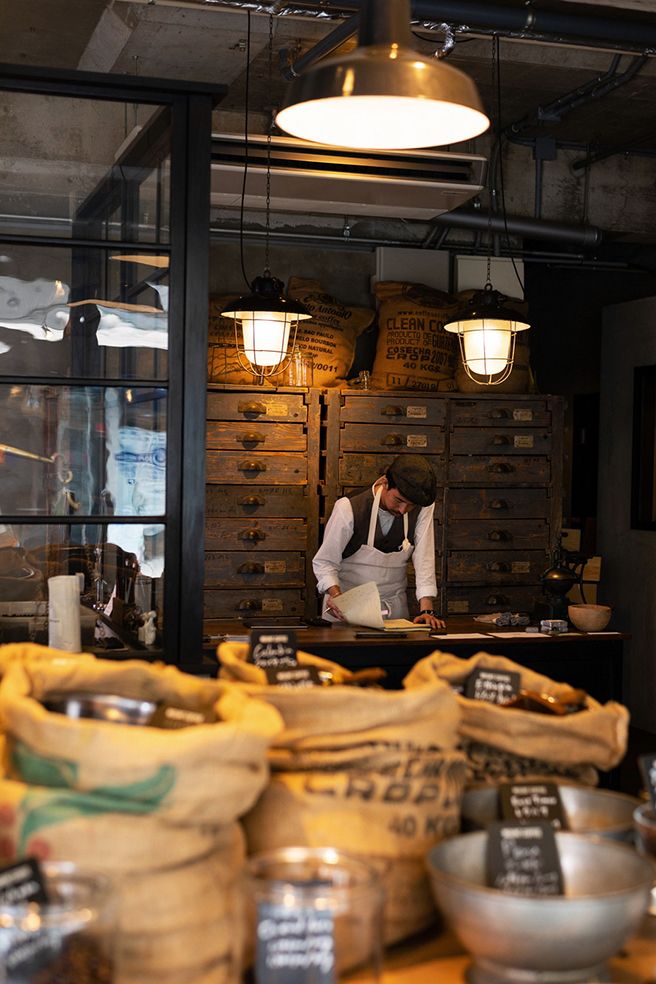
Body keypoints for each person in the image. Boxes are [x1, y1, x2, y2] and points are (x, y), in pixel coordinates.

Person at [312, 454, 446, 629]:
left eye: (410, 505)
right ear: (385, 483)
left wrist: (426, 610)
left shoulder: (423, 506)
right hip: (347, 610)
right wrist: (337, 597)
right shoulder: (349, 507)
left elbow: (424, 557)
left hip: (395, 609)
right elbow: (324, 562)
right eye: (398, 500)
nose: (403, 510)